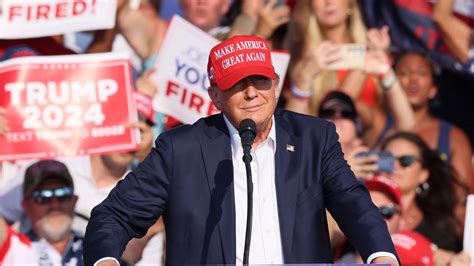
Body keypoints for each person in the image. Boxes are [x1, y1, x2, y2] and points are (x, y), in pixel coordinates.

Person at [84, 35, 398, 265]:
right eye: (237, 83)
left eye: (260, 81)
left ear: (276, 85)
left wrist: (381, 256)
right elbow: (112, 216)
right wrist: (106, 262)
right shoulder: (180, 150)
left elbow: (353, 204)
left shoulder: (314, 138)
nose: (251, 93)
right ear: (216, 96)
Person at [393, 52, 473, 193]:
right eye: (404, 73)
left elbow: (465, 195)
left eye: (422, 74)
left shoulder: (453, 137)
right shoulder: (377, 125)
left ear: (433, 90)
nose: (413, 79)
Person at [380, 132, 466, 255]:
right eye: (387, 159)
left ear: (423, 174)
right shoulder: (358, 210)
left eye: (406, 161)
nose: (394, 166)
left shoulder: (440, 229)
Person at [21, 160, 84, 265]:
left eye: (63, 194)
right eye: (42, 197)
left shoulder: (101, 248)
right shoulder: (12, 251)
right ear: (26, 206)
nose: (55, 205)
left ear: (74, 200)